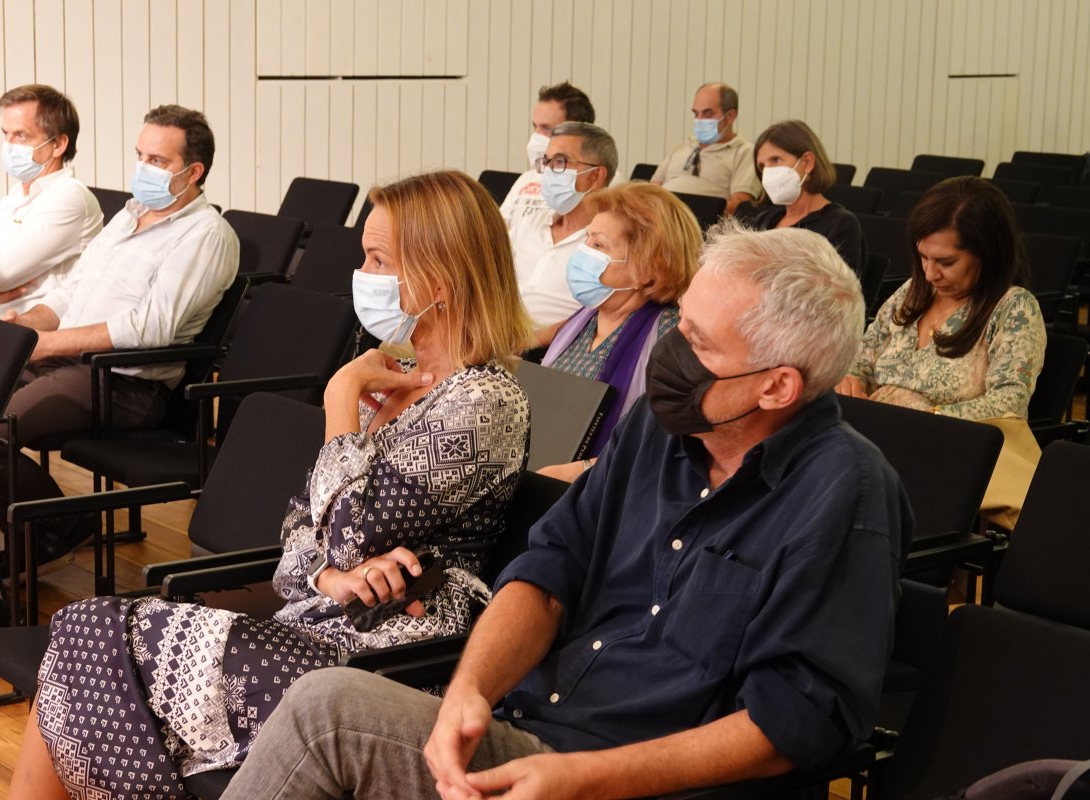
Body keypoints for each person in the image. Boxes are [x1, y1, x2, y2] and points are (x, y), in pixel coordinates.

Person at [219, 221, 914, 800]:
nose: (670, 352)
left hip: (638, 780)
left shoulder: (846, 495)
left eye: (698, 343)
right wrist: (469, 693)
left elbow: (798, 719)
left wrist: (583, 779)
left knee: (325, 714)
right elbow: (550, 570)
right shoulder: (659, 429)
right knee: (321, 707)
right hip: (536, 736)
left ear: (777, 387)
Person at [7, 170, 533, 800]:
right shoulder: (396, 377)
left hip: (396, 658)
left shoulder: (482, 400)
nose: (360, 274)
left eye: (378, 259)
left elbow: (348, 531)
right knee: (83, 633)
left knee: (85, 635)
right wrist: (332, 577)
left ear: (441, 277)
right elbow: (298, 541)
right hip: (320, 620)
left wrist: (341, 395)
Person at [0, 104, 240, 569]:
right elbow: (70, 293)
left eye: (158, 161)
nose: (143, 168)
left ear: (193, 171)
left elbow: (151, 328)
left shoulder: (207, 234)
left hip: (123, 384)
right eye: (141, 155)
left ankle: (62, 528)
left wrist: (47, 345)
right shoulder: (129, 215)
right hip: (70, 362)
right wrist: (26, 327)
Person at [836, 176, 1046, 529]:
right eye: (922, 257)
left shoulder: (1013, 308)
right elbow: (862, 360)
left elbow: (1010, 403)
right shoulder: (912, 293)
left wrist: (926, 415)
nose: (931, 273)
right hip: (880, 442)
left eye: (946, 262)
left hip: (945, 456)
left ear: (988, 253)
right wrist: (851, 378)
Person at [533, 181, 702, 480]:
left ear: (648, 268)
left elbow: (666, 447)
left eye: (598, 245)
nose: (583, 253)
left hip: (603, 488)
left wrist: (584, 471)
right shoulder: (585, 318)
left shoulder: (670, 336)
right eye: (587, 240)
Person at [0, 84, 103, 317]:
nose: (9, 145)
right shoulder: (16, 196)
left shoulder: (70, 198)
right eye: (6, 134)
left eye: (21, 135)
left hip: (19, 338)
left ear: (58, 144)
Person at [511, 121, 617, 328]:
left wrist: (529, 342)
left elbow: (600, 322)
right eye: (547, 161)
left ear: (595, 176)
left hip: (545, 352)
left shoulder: (611, 242)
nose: (549, 171)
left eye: (560, 162)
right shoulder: (531, 222)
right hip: (495, 337)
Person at [744, 119, 866, 274]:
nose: (767, 172)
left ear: (807, 163)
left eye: (775, 160)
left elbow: (836, 290)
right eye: (762, 166)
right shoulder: (764, 220)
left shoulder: (839, 225)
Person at [651, 82, 760, 215]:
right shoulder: (683, 146)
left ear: (730, 116)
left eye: (708, 114)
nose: (700, 120)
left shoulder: (744, 153)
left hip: (704, 224)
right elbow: (652, 189)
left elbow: (739, 204)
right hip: (660, 219)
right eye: (696, 114)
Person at [500, 82, 597, 229]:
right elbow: (499, 228)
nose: (536, 136)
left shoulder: (594, 177)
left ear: (576, 130)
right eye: (535, 126)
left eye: (546, 128)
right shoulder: (528, 177)